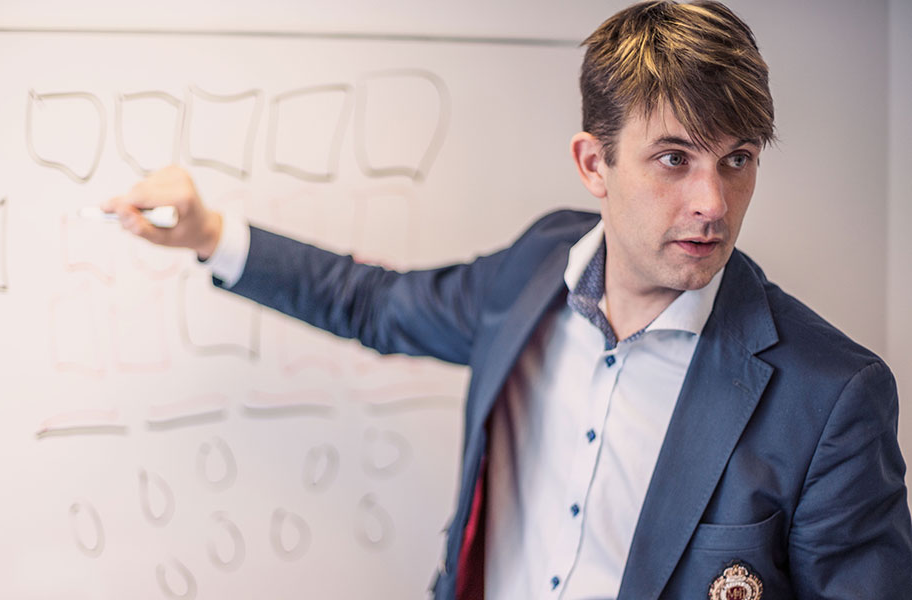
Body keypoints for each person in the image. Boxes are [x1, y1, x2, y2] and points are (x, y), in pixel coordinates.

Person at [105, 1, 912, 598]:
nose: (713, 201)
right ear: (593, 164)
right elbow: (376, 304)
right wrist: (212, 232)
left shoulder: (830, 396)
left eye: (737, 160)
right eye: (674, 158)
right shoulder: (533, 270)